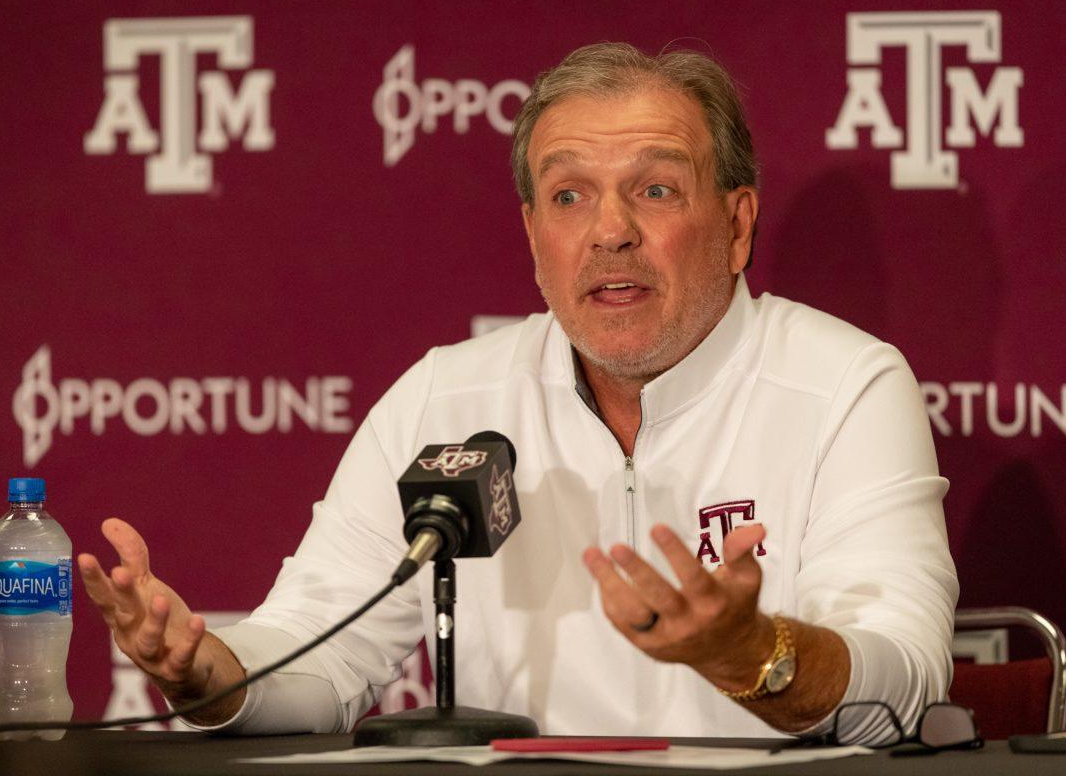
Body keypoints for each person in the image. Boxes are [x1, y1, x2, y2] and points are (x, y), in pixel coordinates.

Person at [78, 42, 958, 741]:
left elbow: (905, 679)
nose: (611, 232)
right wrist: (208, 676)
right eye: (570, 196)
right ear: (534, 234)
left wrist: (751, 653)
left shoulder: (845, 385)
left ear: (735, 226)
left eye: (655, 189)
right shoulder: (445, 399)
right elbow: (322, 646)